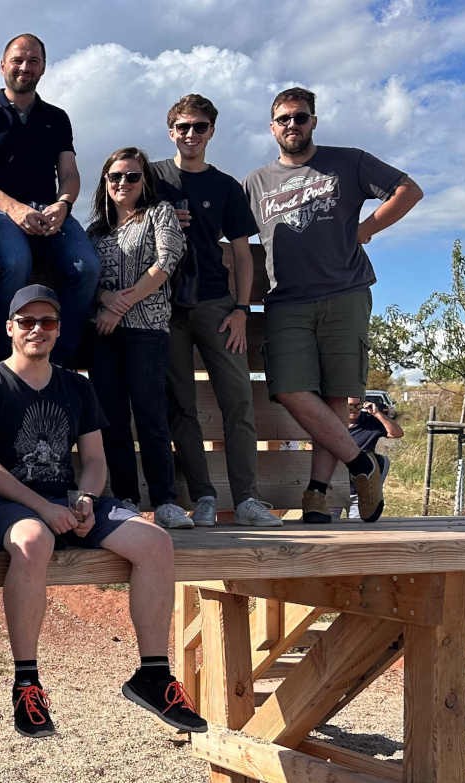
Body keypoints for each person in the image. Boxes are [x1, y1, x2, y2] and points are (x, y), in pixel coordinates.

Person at [0, 284, 207, 739]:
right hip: (5, 503)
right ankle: (26, 683)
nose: (37, 330)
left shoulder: (76, 386)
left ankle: (152, 674)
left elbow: (93, 460)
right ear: (10, 328)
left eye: (47, 322)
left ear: (58, 330)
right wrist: (43, 509)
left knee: (155, 542)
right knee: (34, 540)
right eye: (26, 322)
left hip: (66, 500)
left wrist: (86, 498)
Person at [244, 87, 422, 523]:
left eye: (300, 117)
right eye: (283, 119)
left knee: (337, 395)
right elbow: (233, 237)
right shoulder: (256, 183)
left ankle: (318, 495)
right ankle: (364, 464)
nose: (292, 125)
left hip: (346, 291)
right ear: (272, 127)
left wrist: (366, 229)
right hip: (285, 299)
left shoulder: (348, 161)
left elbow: (408, 190)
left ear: (313, 121)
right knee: (288, 387)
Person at [151, 94, 282, 528]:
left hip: (216, 306)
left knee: (238, 403)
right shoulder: (152, 178)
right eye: (183, 127)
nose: (191, 135)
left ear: (211, 132)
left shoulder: (225, 186)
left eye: (200, 127)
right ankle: (203, 498)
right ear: (171, 131)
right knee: (181, 407)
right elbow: (118, 219)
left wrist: (243, 308)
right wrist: (159, 218)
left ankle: (248, 499)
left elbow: (244, 254)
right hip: (163, 306)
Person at [0, 33, 99, 364]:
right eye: (18, 60)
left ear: (43, 68)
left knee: (87, 267)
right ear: (3, 65)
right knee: (17, 261)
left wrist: (63, 204)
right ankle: (9, 360)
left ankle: (59, 361)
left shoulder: (56, 117)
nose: (25, 67)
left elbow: (69, 174)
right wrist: (13, 208)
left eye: (33, 61)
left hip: (47, 209)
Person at [84, 147, 193, 529]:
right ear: (105, 182)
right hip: (103, 335)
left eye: (131, 176)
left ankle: (164, 499)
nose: (122, 183)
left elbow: (165, 262)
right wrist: (104, 301)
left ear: (144, 180)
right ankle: (126, 497)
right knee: (111, 418)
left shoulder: (158, 213)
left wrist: (119, 306)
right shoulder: (95, 231)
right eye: (115, 176)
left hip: (146, 330)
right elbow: (87, 280)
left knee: (151, 415)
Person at [345, 395, 403, 519]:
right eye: (350, 406)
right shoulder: (332, 423)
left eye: (357, 406)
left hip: (360, 488)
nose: (354, 410)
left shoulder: (369, 421)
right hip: (335, 485)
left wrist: (377, 414)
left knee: (359, 527)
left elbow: (396, 433)